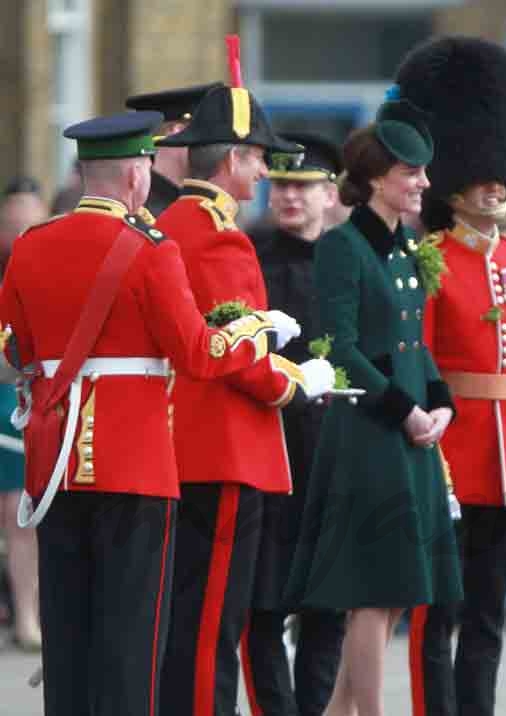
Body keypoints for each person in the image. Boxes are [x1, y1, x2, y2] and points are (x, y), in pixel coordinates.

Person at [0, 110, 298, 716]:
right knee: (131, 644)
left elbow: (14, 348)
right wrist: (257, 329)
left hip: (54, 467)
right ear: (138, 173)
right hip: (133, 464)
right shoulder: (149, 249)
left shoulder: (32, 246)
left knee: (69, 638)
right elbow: (197, 351)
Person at [154, 84, 335, 716]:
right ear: (232, 158)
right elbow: (235, 355)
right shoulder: (217, 238)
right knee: (213, 626)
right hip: (225, 449)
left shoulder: (176, 224)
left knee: (191, 617)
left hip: (188, 449)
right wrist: (295, 383)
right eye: (259, 158)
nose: (265, 173)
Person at [394, 37, 506, 716]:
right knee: (440, 617)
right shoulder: (427, 259)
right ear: (454, 180)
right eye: (484, 175)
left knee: (488, 619)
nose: (498, 186)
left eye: (503, 176)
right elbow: (417, 362)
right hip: (452, 457)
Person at [283, 94, 462, 716]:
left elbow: (414, 341)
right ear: (377, 179)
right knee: (374, 590)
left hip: (405, 432)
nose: (424, 183)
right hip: (368, 432)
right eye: (412, 172)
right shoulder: (344, 247)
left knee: (394, 593)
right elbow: (337, 348)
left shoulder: (404, 249)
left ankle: (339, 711)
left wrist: (440, 403)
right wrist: (405, 410)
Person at [242, 132, 347, 716]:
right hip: (271, 450)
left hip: (332, 453)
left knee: (327, 606)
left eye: (303, 187)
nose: (289, 197)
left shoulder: (348, 258)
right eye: (280, 184)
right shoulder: (251, 254)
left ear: (329, 194)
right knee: (264, 605)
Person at [0, 190, 48, 650]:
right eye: (11, 221)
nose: (18, 231)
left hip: (15, 397)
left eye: (28, 222)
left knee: (20, 515)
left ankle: (27, 616)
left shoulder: (46, 269)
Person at [125, 82, 226, 217]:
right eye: (207, 132)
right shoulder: (143, 211)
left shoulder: (192, 203)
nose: (214, 145)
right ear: (178, 132)